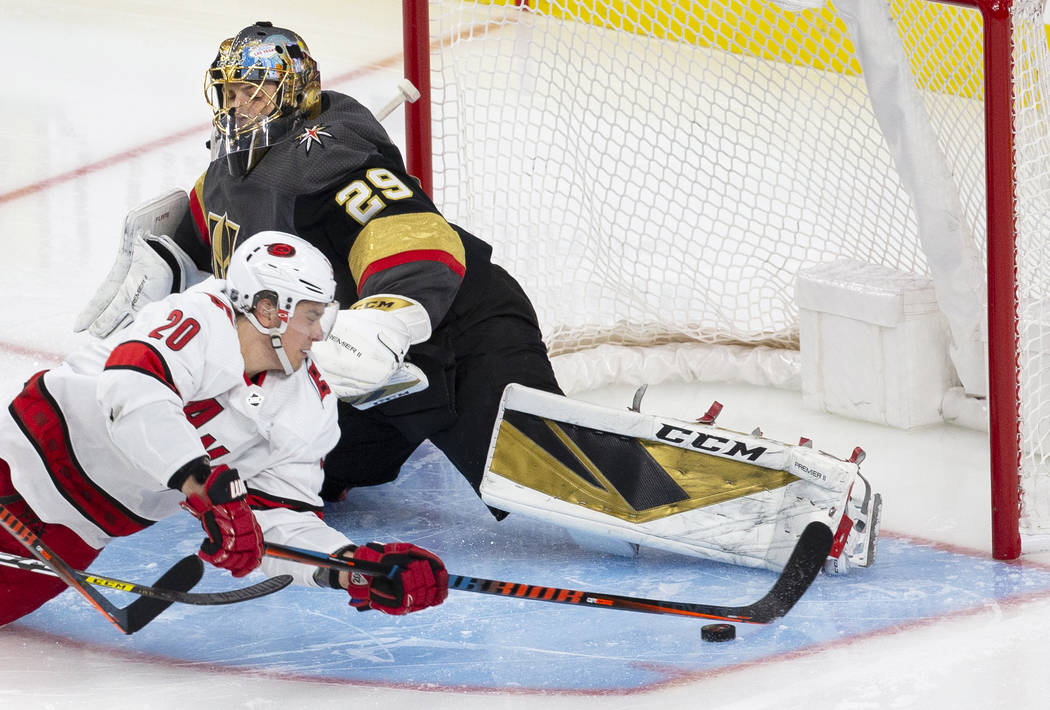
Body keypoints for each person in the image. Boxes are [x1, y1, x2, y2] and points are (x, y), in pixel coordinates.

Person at [74, 21, 563, 516]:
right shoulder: (224, 176)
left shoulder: (337, 165)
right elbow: (205, 244)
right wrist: (164, 272)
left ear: (293, 96)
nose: (238, 107)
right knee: (267, 470)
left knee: (550, 478)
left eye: (254, 92)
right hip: (361, 376)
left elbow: (417, 238)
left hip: (455, 335)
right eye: (229, 92)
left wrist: (385, 320)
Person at [1, 231, 447, 628]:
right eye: (311, 317)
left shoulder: (310, 407)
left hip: (76, 534)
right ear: (270, 309)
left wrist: (350, 568)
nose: (318, 336)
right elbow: (133, 388)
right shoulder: (199, 316)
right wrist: (200, 483)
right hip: (13, 461)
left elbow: (281, 518)